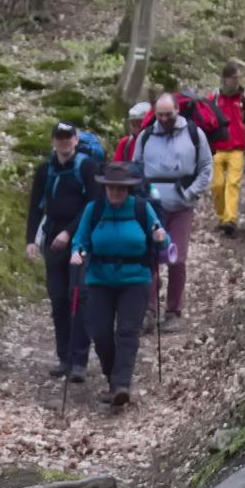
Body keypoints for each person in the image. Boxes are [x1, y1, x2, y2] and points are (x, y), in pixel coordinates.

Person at [67, 157, 169, 407]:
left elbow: (163, 241)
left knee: (127, 331)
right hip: (99, 279)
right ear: (105, 188)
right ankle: (113, 378)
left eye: (120, 188)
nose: (115, 192)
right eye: (111, 188)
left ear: (128, 189)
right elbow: (80, 239)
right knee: (100, 333)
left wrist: (160, 237)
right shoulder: (94, 209)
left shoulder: (141, 209)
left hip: (136, 278)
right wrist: (77, 251)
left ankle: (121, 384)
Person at [20, 119, 100, 382]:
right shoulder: (45, 170)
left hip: (80, 239)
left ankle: (79, 360)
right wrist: (31, 240)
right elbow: (35, 206)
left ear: (76, 139)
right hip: (53, 238)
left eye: (68, 137)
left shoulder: (87, 167)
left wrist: (69, 233)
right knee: (58, 299)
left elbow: (93, 206)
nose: (64, 141)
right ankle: (64, 357)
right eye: (60, 137)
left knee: (78, 297)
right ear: (53, 141)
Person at [130, 96, 212, 326]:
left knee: (177, 259)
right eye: (160, 115)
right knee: (149, 256)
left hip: (181, 207)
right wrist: (138, 197)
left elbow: (206, 167)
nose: (164, 119)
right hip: (150, 207)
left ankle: (173, 311)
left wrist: (191, 193)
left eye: (169, 114)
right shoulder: (146, 136)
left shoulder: (194, 134)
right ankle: (148, 310)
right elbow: (135, 167)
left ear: (177, 110)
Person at [208, 64, 245, 232]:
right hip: (216, 148)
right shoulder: (214, 97)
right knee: (217, 185)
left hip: (237, 148)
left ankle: (230, 220)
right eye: (233, 78)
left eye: (238, 78)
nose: (236, 81)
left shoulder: (244, 98)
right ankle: (222, 217)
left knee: (233, 184)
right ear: (225, 78)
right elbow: (205, 120)